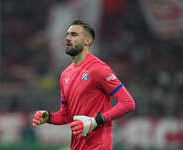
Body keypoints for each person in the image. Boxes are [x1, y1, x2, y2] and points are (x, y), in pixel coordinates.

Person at [32, 20, 135, 150]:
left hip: (98, 146)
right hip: (77, 146)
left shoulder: (98, 69)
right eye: (67, 34)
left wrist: (95, 121)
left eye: (74, 35)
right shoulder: (65, 75)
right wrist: (48, 117)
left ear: (88, 41)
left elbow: (128, 103)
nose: (68, 38)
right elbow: (66, 115)